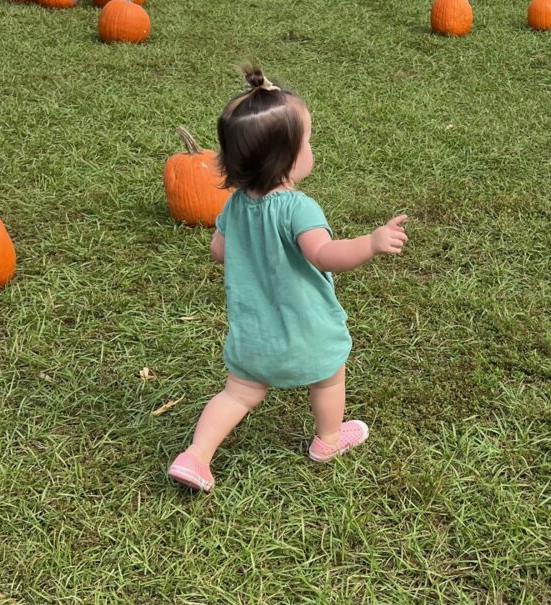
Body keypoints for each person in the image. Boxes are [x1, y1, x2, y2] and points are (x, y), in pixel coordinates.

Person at [167, 67, 409, 493]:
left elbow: (219, 250)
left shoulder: (235, 206)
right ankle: (328, 441)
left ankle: (196, 456)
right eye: (308, 141)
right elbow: (324, 255)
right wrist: (370, 243)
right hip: (307, 332)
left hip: (254, 336)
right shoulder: (300, 208)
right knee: (330, 376)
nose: (311, 147)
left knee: (238, 394)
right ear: (287, 158)